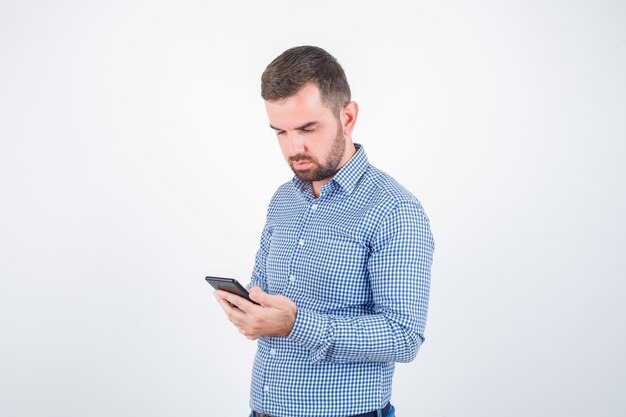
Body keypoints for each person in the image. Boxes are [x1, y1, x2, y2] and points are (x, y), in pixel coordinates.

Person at [214, 45, 434, 417]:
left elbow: (404, 336)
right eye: (280, 132)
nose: (293, 148)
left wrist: (296, 325)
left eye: (307, 128)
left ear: (347, 117)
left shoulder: (395, 210)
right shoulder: (284, 199)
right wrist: (249, 312)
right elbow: (265, 291)